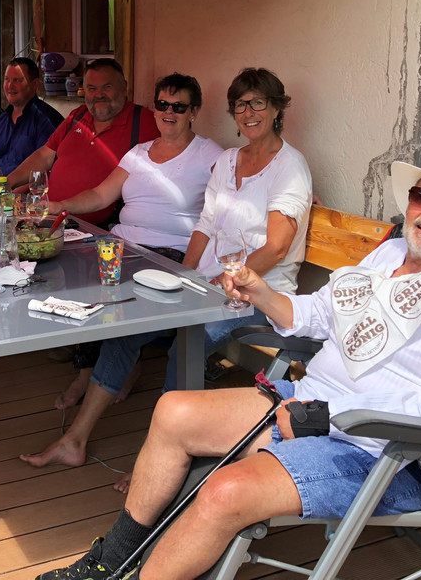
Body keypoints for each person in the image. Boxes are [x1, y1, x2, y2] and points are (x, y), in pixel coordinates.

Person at [36, 142, 421, 580]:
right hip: (308, 405)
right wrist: (261, 292)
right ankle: (111, 562)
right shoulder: (388, 255)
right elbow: (322, 312)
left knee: (225, 492)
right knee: (173, 412)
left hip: (392, 457)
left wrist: (321, 419)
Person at [21, 68, 308, 475]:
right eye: (241, 105)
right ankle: (75, 440)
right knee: (126, 330)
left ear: (277, 109)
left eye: (258, 103)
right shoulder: (229, 160)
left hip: (259, 292)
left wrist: (227, 281)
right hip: (210, 283)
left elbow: (276, 248)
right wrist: (186, 275)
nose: (248, 113)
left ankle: (161, 461)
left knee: (184, 346)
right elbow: (205, 224)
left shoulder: (289, 167)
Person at [27, 73, 221, 420]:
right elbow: (101, 194)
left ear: (194, 112)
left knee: (109, 296)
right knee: (75, 280)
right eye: (162, 104)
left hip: (168, 253)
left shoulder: (209, 154)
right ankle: (86, 370)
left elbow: (241, 186)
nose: (169, 112)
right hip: (121, 244)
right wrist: (59, 206)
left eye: (179, 107)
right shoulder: (139, 152)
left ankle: (110, 376)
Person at [6, 58, 157, 227]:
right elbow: (44, 156)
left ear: (124, 87)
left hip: (97, 229)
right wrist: (8, 182)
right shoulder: (77, 116)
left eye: (107, 87)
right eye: (92, 88)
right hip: (48, 219)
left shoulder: (145, 122)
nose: (99, 94)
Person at [0, 57, 63, 176]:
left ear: (35, 84)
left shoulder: (46, 120)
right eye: (7, 79)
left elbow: (46, 172)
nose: (10, 86)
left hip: (31, 188)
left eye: (17, 80)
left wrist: (7, 186)